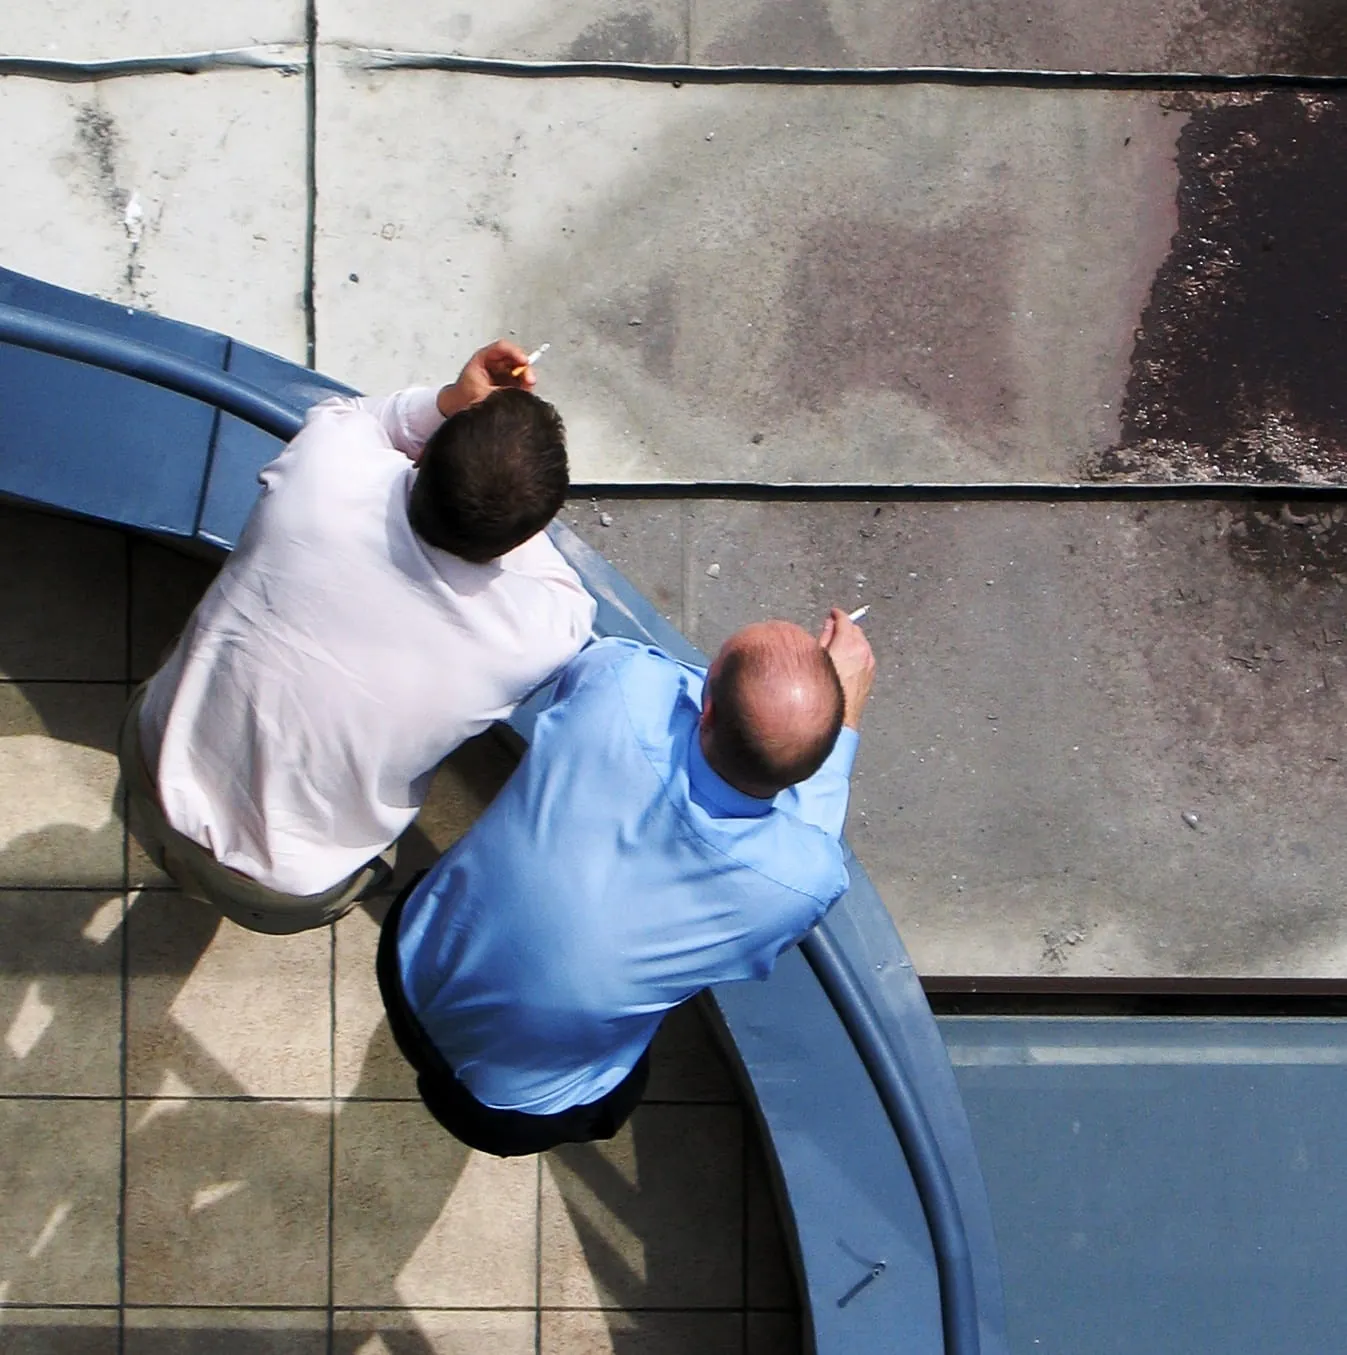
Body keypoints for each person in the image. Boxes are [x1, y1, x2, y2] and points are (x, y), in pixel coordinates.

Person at [119, 341, 596, 934]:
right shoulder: (540, 634)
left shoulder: (324, 471)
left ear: (423, 459)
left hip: (153, 755)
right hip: (285, 887)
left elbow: (357, 417)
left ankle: (178, 867)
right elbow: (565, 590)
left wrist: (453, 402)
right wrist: (507, 496)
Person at [378, 608, 876, 1156]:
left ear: (708, 708)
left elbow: (642, 673)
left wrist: (769, 688)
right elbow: (812, 829)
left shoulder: (621, 685)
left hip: (409, 958)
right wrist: (837, 716)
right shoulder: (800, 884)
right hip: (515, 1109)